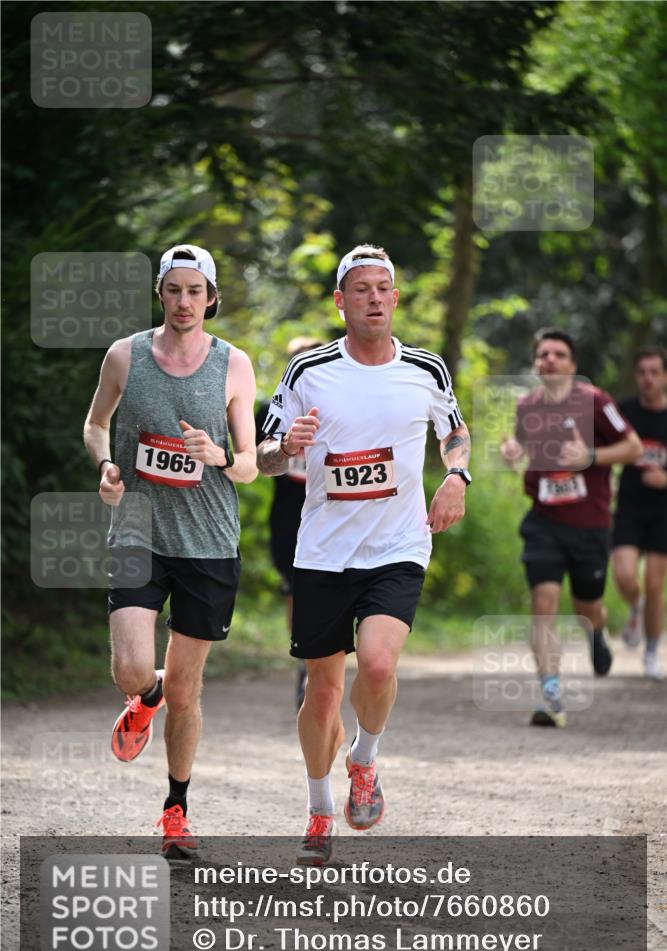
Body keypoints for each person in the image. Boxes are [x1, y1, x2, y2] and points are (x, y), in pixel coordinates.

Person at [257, 244, 470, 865]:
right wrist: (285, 447)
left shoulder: (426, 370)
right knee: (322, 693)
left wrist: (456, 477)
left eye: (384, 288)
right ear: (341, 301)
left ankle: (365, 760)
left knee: (376, 665)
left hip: (398, 545)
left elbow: (454, 431)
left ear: (395, 299)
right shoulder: (308, 373)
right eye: (362, 289)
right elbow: (267, 454)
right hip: (324, 551)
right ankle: (319, 808)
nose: (374, 298)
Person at [83, 244, 257, 857]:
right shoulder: (125, 356)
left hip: (208, 543)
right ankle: (145, 694)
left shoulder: (234, 365)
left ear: (212, 297)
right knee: (131, 671)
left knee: (189, 691)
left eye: (195, 291)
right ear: (161, 293)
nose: (184, 302)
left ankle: (176, 812)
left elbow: (251, 467)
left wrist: (221, 457)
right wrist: (106, 464)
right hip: (137, 530)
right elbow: (96, 422)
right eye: (173, 289)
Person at [501, 328, 642, 729]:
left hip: (590, 525)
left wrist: (591, 456)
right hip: (544, 522)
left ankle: (596, 632)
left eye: (558, 354)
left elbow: (632, 448)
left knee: (587, 606)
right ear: (535, 364)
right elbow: (524, 443)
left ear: (573, 365)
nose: (549, 360)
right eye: (542, 354)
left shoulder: (596, 402)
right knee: (543, 603)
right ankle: (551, 696)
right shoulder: (528, 406)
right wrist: (512, 449)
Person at [255, 337, 324, 711]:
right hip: (288, 519)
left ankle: (320, 661)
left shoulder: (340, 404)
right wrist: (282, 449)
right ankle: (303, 660)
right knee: (295, 593)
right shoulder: (271, 409)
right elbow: (257, 461)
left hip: (333, 517)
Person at [611, 346, 667, 680]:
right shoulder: (625, 410)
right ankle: (636, 606)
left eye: (654, 372)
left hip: (663, 510)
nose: (647, 378)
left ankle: (650, 653)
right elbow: (605, 445)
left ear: (664, 376)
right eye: (642, 372)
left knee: (655, 582)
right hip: (630, 504)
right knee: (625, 575)